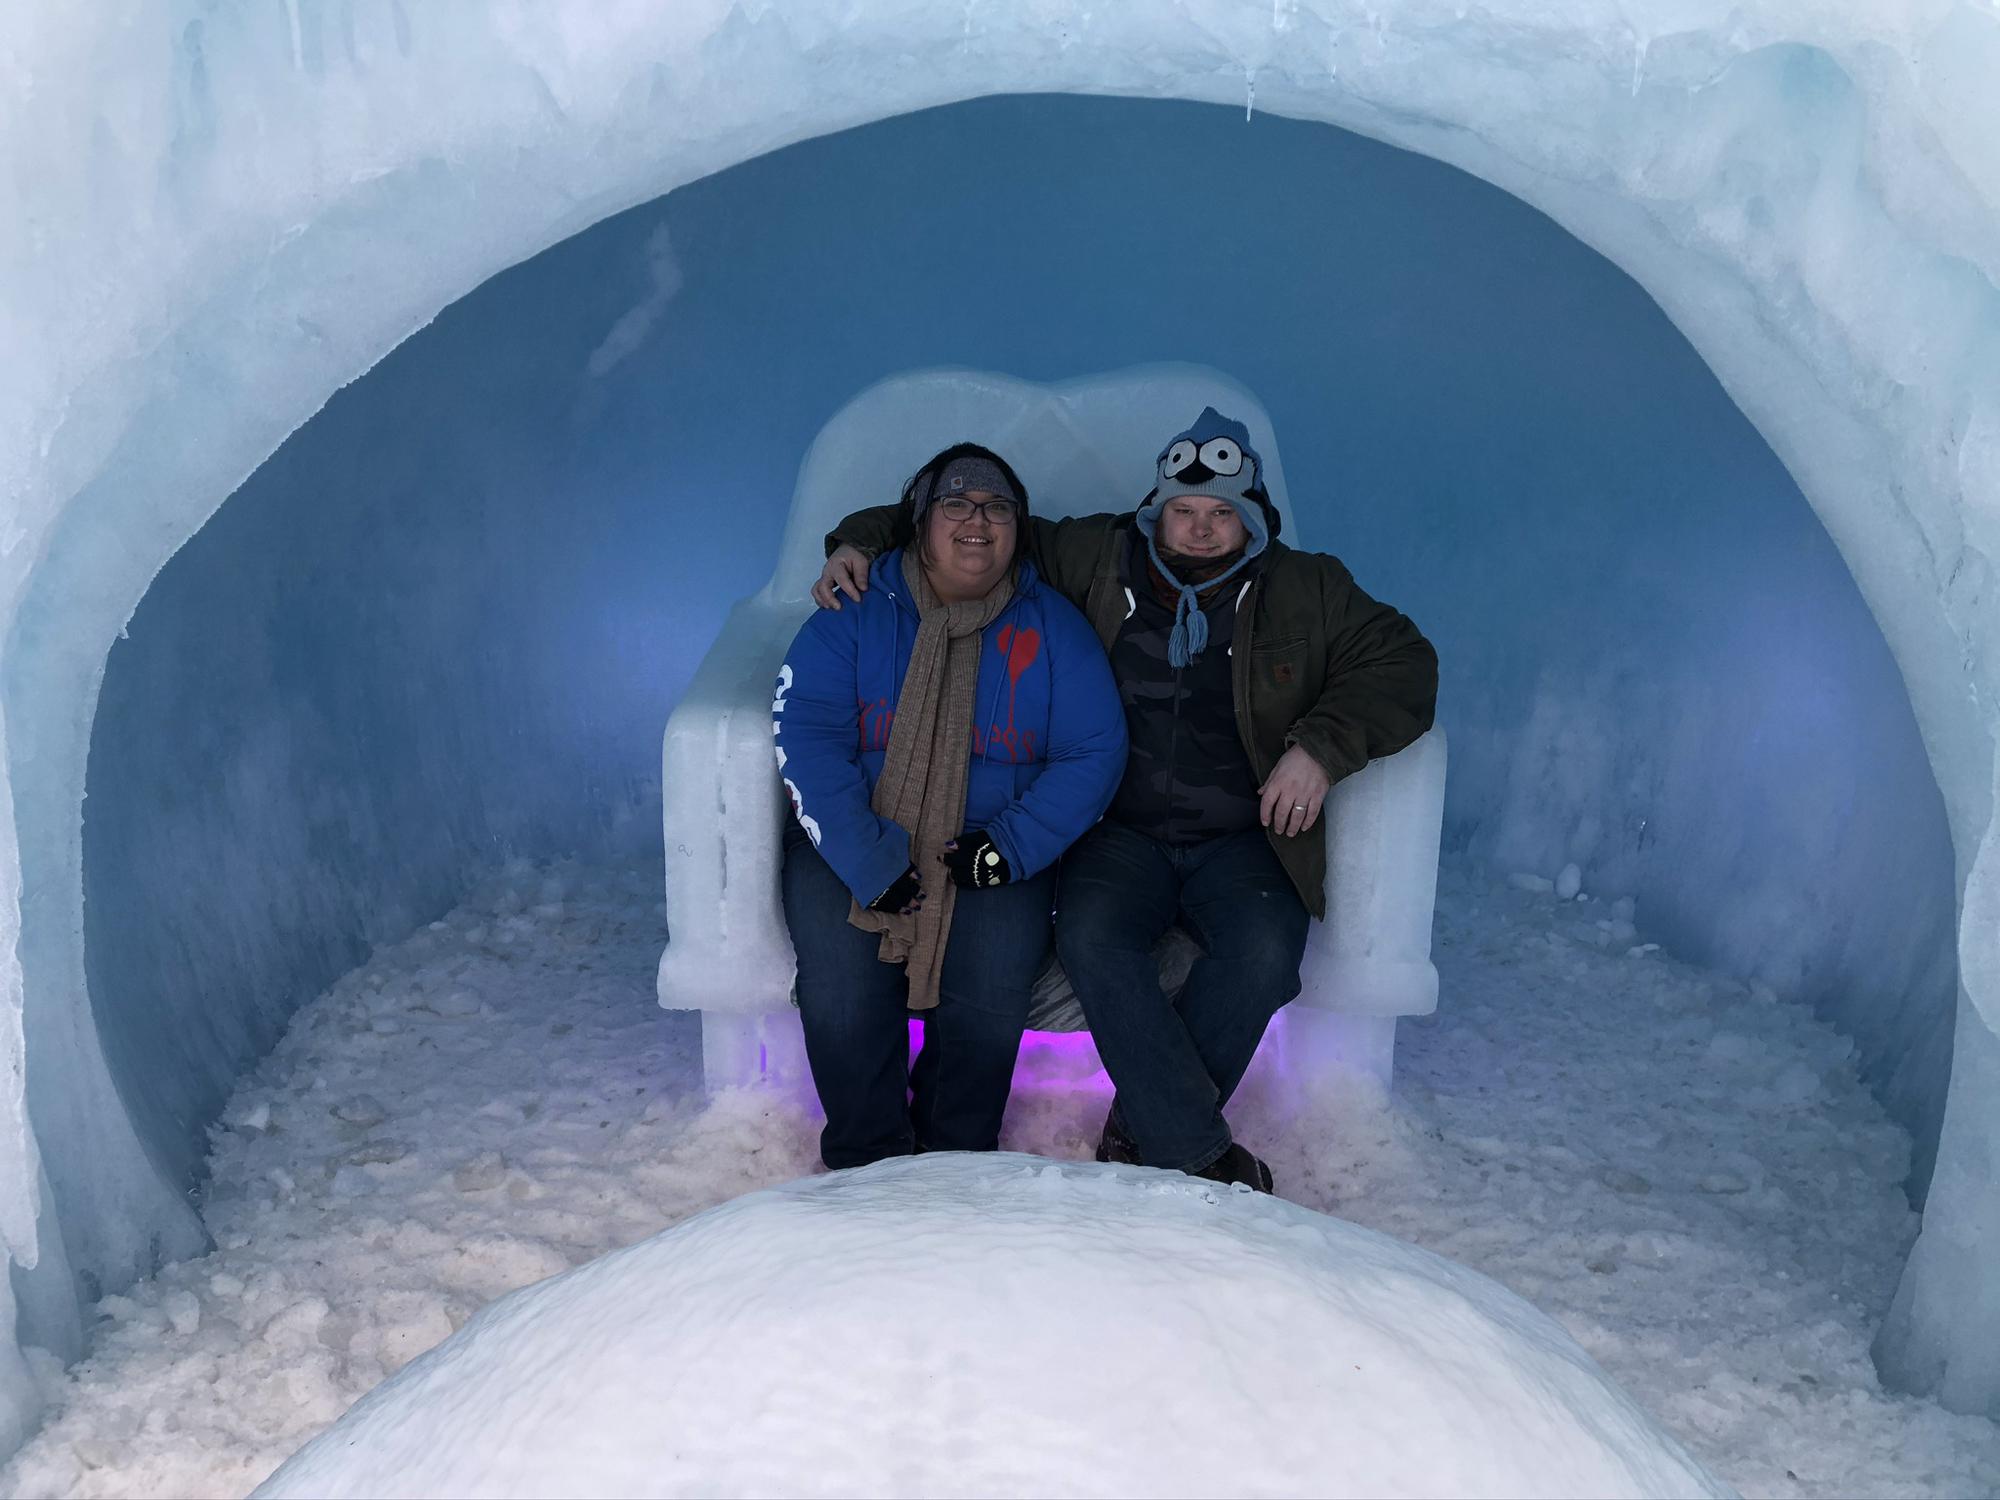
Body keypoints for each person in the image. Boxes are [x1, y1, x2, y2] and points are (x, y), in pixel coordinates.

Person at [813, 409, 1437, 1191]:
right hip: (1119, 832)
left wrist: (1320, 748)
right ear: (1156, 509)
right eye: (1184, 511)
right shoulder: (1100, 555)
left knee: (1266, 956)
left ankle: (1151, 1135)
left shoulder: (1308, 588)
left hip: (1245, 837)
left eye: (1222, 515)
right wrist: (856, 540)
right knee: (1095, 940)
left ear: (1253, 520)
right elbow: (972, 523)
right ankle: (1191, 1151)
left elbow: (1407, 661)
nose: (1201, 530)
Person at [775, 443, 1128, 1170]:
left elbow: (1094, 750)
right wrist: (867, 857)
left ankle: (954, 1162)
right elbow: (806, 734)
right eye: (957, 504)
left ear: (1019, 528)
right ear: (921, 521)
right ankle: (866, 1160)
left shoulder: (1052, 626)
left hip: (989, 844)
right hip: (854, 836)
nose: (979, 521)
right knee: (842, 987)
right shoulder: (855, 611)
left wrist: (1011, 846)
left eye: (998, 507)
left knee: (992, 989)